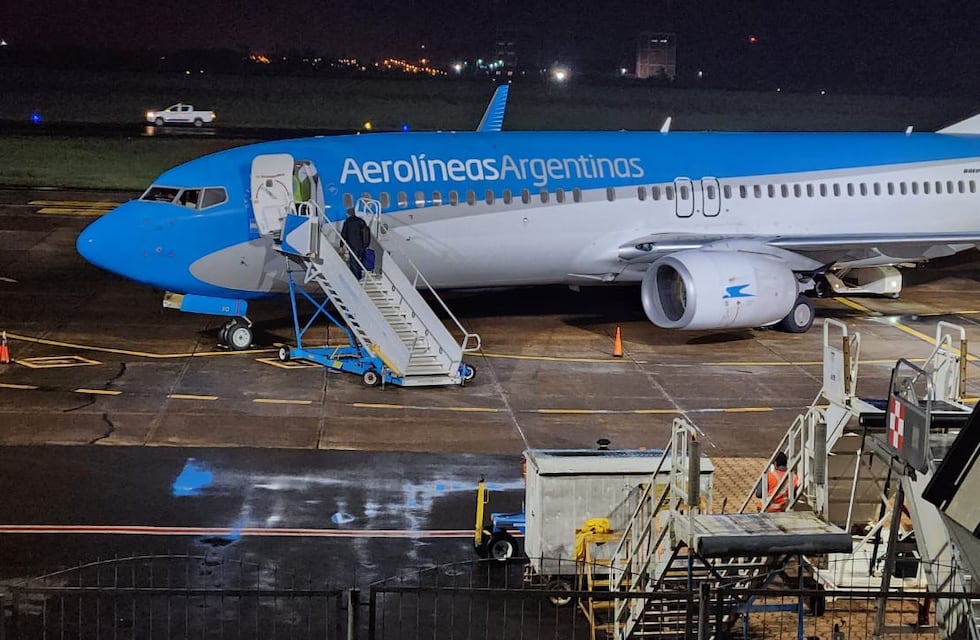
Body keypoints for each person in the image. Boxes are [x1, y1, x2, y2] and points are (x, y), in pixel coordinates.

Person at [340, 208, 370, 280]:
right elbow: (366, 232)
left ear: (348, 214)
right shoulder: (361, 221)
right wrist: (366, 244)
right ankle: (359, 276)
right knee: (360, 261)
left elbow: (343, 234)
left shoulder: (347, 222)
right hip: (362, 245)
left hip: (352, 246)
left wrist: (341, 245)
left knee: (354, 263)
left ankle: (356, 279)